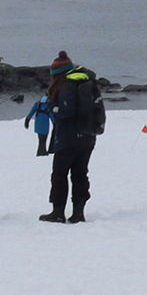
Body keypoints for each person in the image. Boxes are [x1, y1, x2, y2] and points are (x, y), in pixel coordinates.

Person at [39, 51, 105, 223]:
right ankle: (78, 213)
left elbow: (66, 112)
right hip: (88, 135)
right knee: (80, 174)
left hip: (69, 137)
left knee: (59, 174)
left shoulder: (67, 85)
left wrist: (51, 105)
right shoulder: (86, 81)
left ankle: (58, 212)